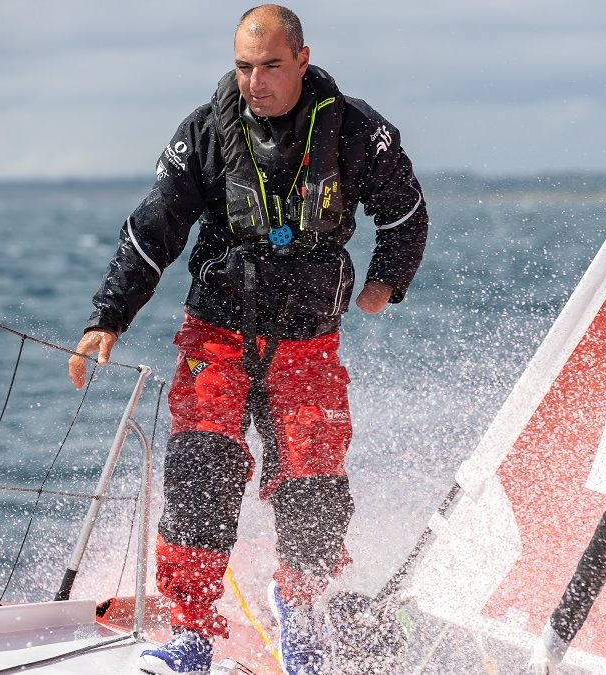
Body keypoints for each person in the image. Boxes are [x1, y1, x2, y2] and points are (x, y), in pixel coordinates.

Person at [66, 5, 428, 674]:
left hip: (308, 343)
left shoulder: (357, 131)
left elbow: (406, 211)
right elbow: (154, 229)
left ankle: (298, 607)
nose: (253, 81)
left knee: (316, 489)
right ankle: (192, 634)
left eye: (268, 66)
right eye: (242, 67)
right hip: (219, 334)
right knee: (202, 471)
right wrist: (106, 318)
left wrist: (386, 282)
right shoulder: (205, 131)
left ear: (301, 59)